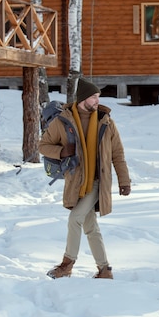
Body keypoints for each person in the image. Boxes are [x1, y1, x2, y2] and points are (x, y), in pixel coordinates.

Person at [39, 77, 131, 279]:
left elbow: (118, 154)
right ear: (82, 99)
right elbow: (43, 146)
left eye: (98, 96)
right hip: (76, 182)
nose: (97, 100)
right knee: (90, 227)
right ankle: (104, 269)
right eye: (94, 97)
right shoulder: (63, 121)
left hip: (98, 182)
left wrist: (124, 181)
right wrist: (62, 151)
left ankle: (67, 264)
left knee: (74, 220)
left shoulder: (105, 121)